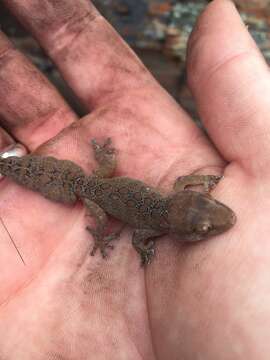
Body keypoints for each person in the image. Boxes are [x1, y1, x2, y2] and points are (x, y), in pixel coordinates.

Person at [0, 0, 269, 358]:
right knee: (96, 215)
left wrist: (196, 183)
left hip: (101, 178)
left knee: (98, 185)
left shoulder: (164, 208)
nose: (219, 218)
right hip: (93, 192)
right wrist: (109, 237)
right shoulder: (153, 226)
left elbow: (167, 204)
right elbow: (141, 236)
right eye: (205, 219)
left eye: (205, 211)